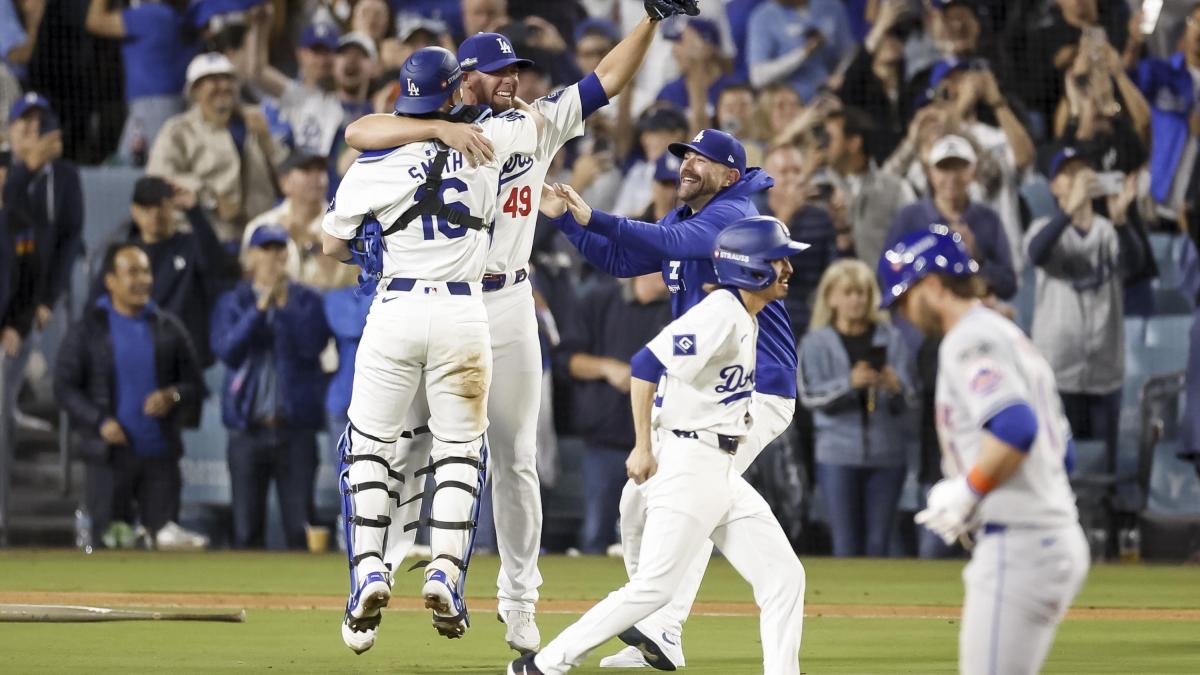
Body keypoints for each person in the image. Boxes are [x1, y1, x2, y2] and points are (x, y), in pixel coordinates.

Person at [340, 14, 663, 653]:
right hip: (441, 302)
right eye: (499, 71)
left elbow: (606, 80)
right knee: (401, 445)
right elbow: (358, 130)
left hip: (505, 301)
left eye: (518, 69)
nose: (512, 79)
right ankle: (381, 573)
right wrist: (436, 125)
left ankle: (518, 601)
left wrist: (650, 20)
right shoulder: (429, 131)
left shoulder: (528, 124)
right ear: (464, 80)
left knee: (515, 459)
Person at [539, 128, 798, 670]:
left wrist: (596, 216)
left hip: (755, 384)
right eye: (686, 155)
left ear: (729, 175)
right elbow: (623, 261)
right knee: (640, 503)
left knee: (699, 494)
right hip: (704, 383)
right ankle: (659, 623)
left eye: (700, 159)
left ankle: (658, 622)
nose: (687, 164)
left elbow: (674, 247)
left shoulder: (734, 216)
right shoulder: (687, 217)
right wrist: (566, 219)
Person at [321, 46, 543, 651]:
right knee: (460, 451)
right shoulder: (490, 144)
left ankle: (369, 568)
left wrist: (373, 248)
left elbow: (330, 244)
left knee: (369, 448)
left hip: (394, 308)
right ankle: (445, 569)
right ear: (456, 90)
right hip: (464, 313)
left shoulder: (372, 163)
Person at [879, 226, 1089, 675]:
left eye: (904, 299)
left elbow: (1015, 426)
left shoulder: (967, 339)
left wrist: (969, 491)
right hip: (1048, 533)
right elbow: (1063, 455)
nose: (904, 314)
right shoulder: (1007, 333)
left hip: (1021, 541)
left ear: (933, 285)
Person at [54, 243, 207, 550]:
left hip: (160, 460)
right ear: (110, 280)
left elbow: (195, 385)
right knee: (108, 546)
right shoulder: (88, 329)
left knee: (163, 546)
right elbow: (64, 387)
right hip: (108, 460)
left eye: (146, 271)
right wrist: (99, 421)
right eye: (132, 272)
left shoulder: (169, 327)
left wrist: (173, 395)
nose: (143, 279)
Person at [1024, 148, 1145, 466]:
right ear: (1053, 186)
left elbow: (1134, 266)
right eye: (1068, 173)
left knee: (1106, 468)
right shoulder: (1042, 227)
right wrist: (1069, 211)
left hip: (1104, 370)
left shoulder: (1108, 231)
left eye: (1084, 171)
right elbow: (1037, 253)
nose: (1078, 178)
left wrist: (1121, 220)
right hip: (1058, 371)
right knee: (1059, 464)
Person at [211, 226, 330, 549]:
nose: (274, 257)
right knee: (246, 528)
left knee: (299, 527)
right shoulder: (233, 301)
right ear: (251, 256)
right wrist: (260, 308)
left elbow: (312, 345)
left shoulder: (307, 299)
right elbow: (228, 351)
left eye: (281, 250)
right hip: (249, 429)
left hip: (295, 430)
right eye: (266, 249)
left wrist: (285, 305)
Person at [798, 259, 914, 557]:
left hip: (887, 453)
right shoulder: (815, 343)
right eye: (848, 292)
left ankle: (880, 604)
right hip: (837, 453)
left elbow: (913, 400)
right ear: (831, 298)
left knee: (880, 545)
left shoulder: (892, 338)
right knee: (845, 543)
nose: (856, 300)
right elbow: (809, 396)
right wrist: (849, 384)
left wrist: (894, 385)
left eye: (862, 292)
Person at [556, 273, 671, 555]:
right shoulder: (600, 300)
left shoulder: (680, 307)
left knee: (660, 535)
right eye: (661, 265)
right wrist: (607, 368)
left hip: (661, 443)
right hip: (605, 439)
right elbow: (566, 360)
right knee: (597, 531)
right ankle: (586, 599)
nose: (668, 272)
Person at [2, 94, 83, 446]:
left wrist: (48, 299)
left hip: (30, 302)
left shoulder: (65, 175)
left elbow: (69, 239)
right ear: (9, 130)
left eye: (42, 122)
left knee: (7, 391)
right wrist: (24, 171)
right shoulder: (5, 169)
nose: (35, 130)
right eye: (26, 122)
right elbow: (7, 219)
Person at [146, 52, 284, 243]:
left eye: (228, 79)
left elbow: (286, 175)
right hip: (205, 237)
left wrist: (267, 139)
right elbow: (159, 176)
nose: (224, 86)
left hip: (259, 238)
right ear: (195, 90)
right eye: (213, 80)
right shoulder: (179, 130)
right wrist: (210, 199)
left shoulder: (256, 120)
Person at [101, 176, 224, 368]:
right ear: (134, 210)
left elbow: (215, 266)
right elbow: (99, 304)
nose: (154, 214)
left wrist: (193, 211)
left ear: (172, 208)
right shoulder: (123, 255)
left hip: (187, 360)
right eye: (146, 208)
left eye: (161, 206)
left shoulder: (192, 244)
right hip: (136, 355)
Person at [885, 134, 1016, 303]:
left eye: (959, 168)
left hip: (973, 319)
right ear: (929, 173)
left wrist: (976, 257)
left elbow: (1008, 287)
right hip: (923, 322)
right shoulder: (909, 217)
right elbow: (888, 276)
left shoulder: (988, 219)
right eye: (944, 168)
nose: (952, 177)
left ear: (973, 172)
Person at [83, 0, 198, 165]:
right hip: (176, 106)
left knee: (130, 174)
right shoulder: (188, 16)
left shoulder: (152, 14)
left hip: (151, 112)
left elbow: (95, 21)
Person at [242, 153, 357, 290]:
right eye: (306, 170)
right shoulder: (262, 225)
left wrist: (309, 242)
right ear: (284, 182)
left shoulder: (345, 224)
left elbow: (348, 280)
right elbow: (247, 277)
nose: (316, 177)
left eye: (321, 170)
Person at [745, 0, 854, 102]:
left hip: (827, 97)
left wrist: (840, 74)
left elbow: (847, 52)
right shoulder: (763, 17)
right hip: (789, 103)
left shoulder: (831, 6)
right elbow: (758, 77)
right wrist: (802, 54)